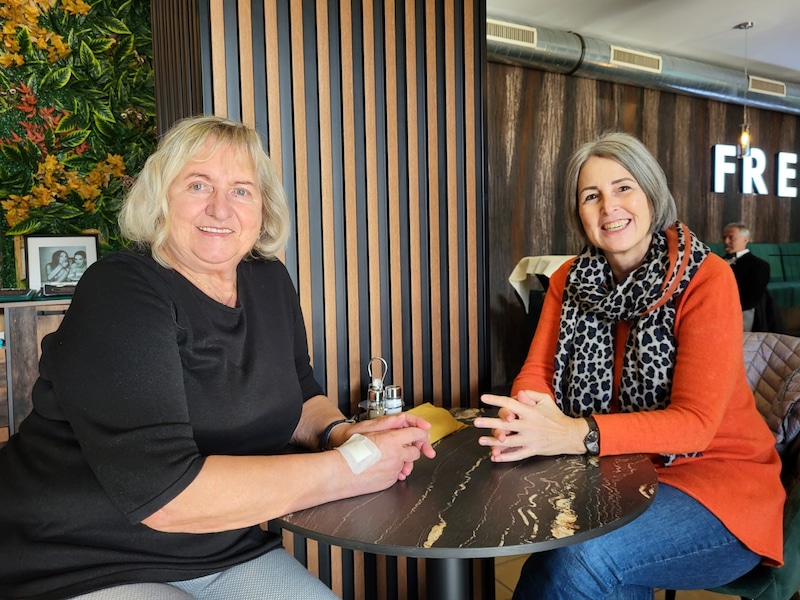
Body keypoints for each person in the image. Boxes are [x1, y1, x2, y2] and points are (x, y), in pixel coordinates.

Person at [0, 115, 436, 600]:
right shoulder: (122, 289)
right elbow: (164, 495)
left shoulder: (268, 280)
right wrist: (354, 465)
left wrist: (342, 433)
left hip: (224, 544)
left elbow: (299, 390)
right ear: (160, 198)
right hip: (81, 556)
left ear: (262, 207)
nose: (220, 208)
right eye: (198, 184)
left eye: (241, 190)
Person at [475, 132, 784, 600]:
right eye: (591, 195)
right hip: (617, 475)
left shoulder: (706, 277)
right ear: (577, 213)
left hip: (718, 487)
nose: (608, 207)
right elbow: (537, 373)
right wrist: (528, 415)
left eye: (624, 188)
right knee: (561, 551)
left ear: (650, 193)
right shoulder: (568, 280)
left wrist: (573, 432)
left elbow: (696, 427)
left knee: (582, 556)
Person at [721, 222, 775, 332]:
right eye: (724, 238)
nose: (726, 242)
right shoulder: (718, 262)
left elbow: (750, 300)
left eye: (731, 238)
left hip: (743, 317)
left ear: (745, 240)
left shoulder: (758, 266)